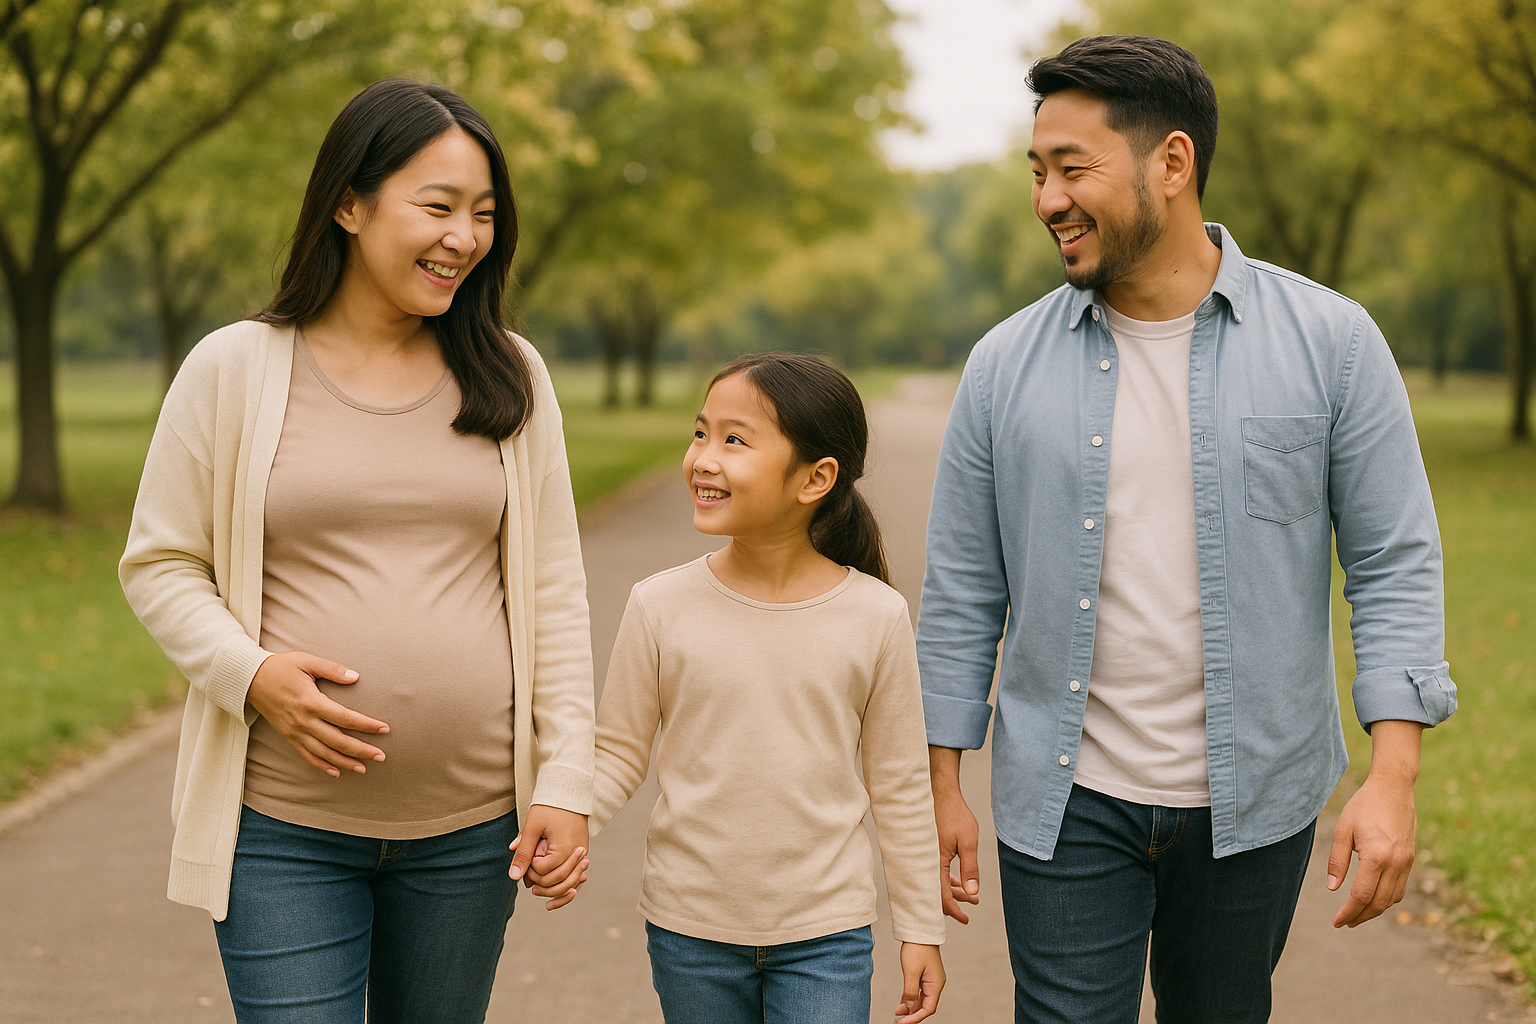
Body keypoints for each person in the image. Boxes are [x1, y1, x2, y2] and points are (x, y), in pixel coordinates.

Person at [916, 35, 1457, 1024]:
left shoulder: (1333, 344)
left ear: (1172, 162)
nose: (1047, 200)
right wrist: (941, 781)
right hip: (1065, 801)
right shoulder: (1001, 367)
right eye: (1037, 172)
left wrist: (1394, 775)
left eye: (1073, 169)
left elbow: (1392, 562)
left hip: (1258, 798)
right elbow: (962, 586)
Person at [118, 79, 595, 1024]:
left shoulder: (510, 373)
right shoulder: (234, 367)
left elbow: (554, 596)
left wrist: (567, 781)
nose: (465, 236)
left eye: (485, 214)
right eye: (438, 206)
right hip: (282, 831)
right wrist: (248, 673)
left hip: (470, 836)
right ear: (349, 202)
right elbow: (161, 563)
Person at [584, 353, 946, 1023]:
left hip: (825, 935)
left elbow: (898, 784)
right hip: (690, 929)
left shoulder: (875, 616)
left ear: (816, 478)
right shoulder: (658, 605)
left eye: (734, 440)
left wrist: (920, 926)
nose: (703, 458)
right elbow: (615, 754)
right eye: (700, 433)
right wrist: (566, 821)